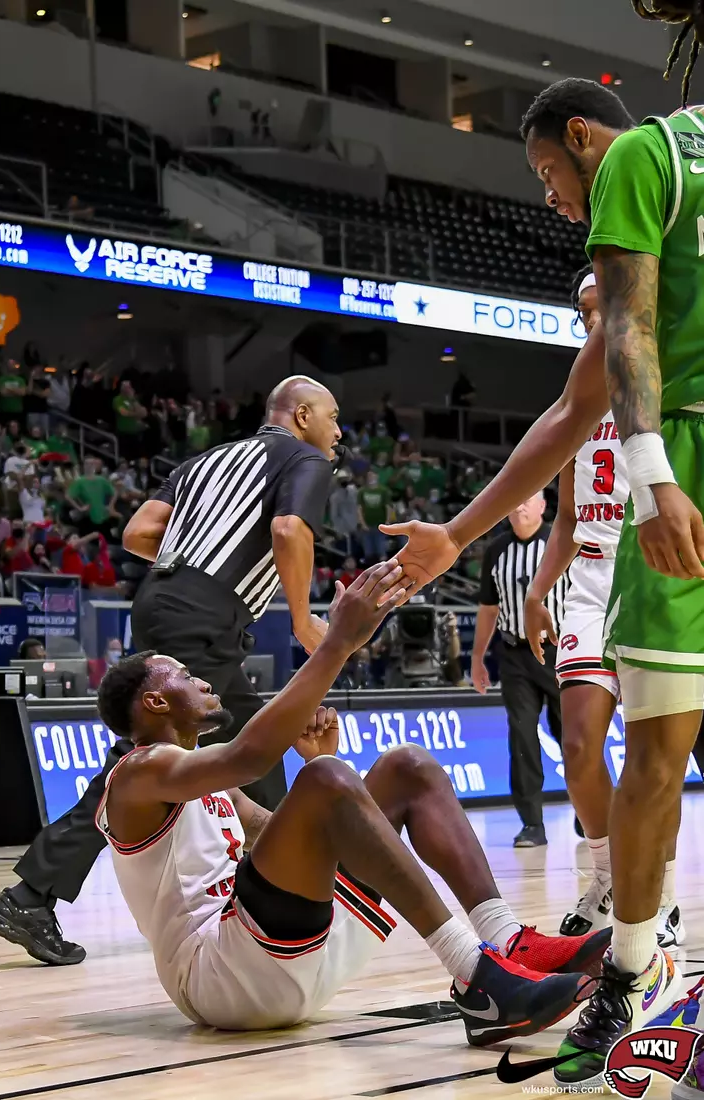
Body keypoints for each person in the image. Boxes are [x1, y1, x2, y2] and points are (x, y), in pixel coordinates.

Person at [383, 67, 704, 1087]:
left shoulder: (640, 155)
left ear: (581, 138)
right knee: (630, 742)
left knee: (653, 750)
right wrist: (469, 534)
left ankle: (637, 963)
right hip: (643, 503)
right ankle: (636, 960)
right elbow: (576, 409)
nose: (551, 201)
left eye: (546, 175)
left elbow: (612, 352)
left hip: (677, 470)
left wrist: (652, 479)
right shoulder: (670, 162)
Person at [91, 564, 611, 1039]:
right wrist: (336, 643)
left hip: (279, 950)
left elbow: (277, 833)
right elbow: (249, 756)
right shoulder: (138, 773)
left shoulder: (205, 780)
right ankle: (479, 979)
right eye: (184, 676)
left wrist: (324, 776)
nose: (202, 680)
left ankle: (506, 940)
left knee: (407, 768)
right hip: (220, 977)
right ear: (156, 702)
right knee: (326, 778)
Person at [0, 376, 341, 967]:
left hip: (169, 599)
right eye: (332, 419)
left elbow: (139, 533)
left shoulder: (207, 460)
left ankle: (281, 874)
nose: (338, 433)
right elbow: (287, 529)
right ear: (301, 415)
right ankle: (31, 893)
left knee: (260, 742)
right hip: (204, 613)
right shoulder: (303, 456)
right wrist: (302, 618)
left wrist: (200, 556)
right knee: (142, 763)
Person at [524, 267, 684, 948]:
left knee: (656, 758)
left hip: (650, 572)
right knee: (580, 748)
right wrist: (535, 592)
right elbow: (561, 518)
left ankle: (662, 895)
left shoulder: (660, 384)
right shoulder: (577, 400)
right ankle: (606, 880)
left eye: (604, 308)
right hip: (588, 583)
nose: (595, 321)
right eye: (584, 312)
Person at [473, 491, 566, 848]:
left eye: (528, 500)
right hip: (514, 654)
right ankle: (532, 824)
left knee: (573, 738)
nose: (519, 505)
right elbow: (487, 608)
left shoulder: (561, 543)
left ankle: (588, 814)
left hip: (558, 652)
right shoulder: (496, 550)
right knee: (522, 736)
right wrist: (478, 657)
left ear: (543, 506)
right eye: (516, 500)